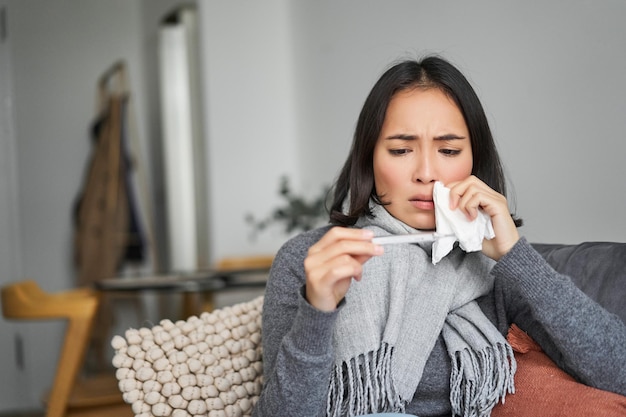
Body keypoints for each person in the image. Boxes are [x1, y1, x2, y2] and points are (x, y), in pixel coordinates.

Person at [251, 56, 626, 417]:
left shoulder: (495, 268)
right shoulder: (310, 259)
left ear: (473, 162)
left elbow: (617, 371)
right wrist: (318, 311)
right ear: (369, 159)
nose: (427, 172)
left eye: (448, 150)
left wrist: (517, 256)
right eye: (400, 150)